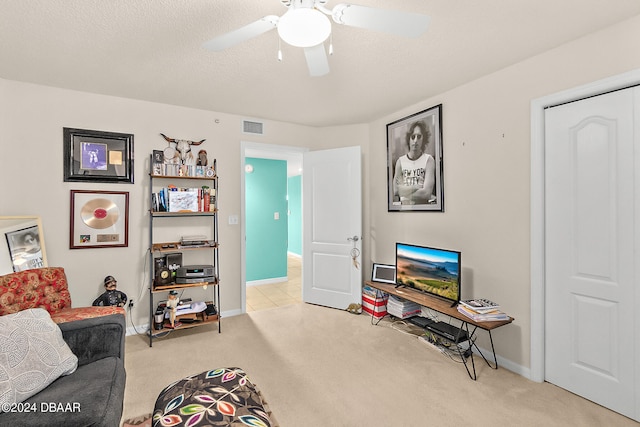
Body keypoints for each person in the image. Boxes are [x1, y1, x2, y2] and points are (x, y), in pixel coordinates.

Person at [392, 120, 436, 205]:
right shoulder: (400, 161)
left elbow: (426, 194)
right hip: (404, 210)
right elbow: (396, 190)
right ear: (408, 139)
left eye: (419, 136)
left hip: (423, 209)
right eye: (413, 137)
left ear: (423, 139)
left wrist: (404, 190)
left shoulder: (428, 160)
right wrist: (414, 187)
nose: (415, 140)